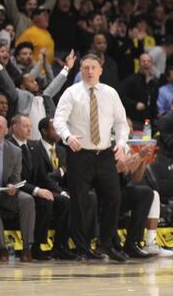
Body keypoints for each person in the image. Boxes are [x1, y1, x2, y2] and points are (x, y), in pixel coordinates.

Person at [53, 54, 130, 262]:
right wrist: (68, 137)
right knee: (79, 201)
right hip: (80, 154)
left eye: (93, 68)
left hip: (105, 153)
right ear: (80, 70)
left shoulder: (110, 93)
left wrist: (121, 144)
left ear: (100, 70)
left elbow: (122, 123)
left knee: (113, 197)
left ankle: (106, 244)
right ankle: (82, 247)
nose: (89, 72)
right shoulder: (71, 92)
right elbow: (59, 120)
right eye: (85, 68)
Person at [0, 115, 34, 262]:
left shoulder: (15, 151)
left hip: (3, 192)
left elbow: (15, 179)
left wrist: (13, 187)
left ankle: (27, 248)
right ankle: (1, 248)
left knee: (27, 200)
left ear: (6, 130)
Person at [0, 47, 75, 140]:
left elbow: (56, 83)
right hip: (23, 142)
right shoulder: (19, 95)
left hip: (42, 143)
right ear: (22, 86)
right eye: (31, 81)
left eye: (35, 81)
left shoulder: (45, 97)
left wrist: (67, 68)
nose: (35, 82)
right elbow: (7, 81)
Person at [32, 117, 76, 260]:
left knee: (85, 196)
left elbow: (65, 176)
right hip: (41, 188)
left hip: (58, 188)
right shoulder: (34, 149)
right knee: (63, 200)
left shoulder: (63, 150)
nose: (58, 132)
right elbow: (43, 177)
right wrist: (60, 173)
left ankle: (73, 244)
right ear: (44, 131)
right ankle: (46, 246)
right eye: (54, 128)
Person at [119, 53, 159, 128]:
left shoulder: (154, 83)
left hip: (149, 121)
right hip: (133, 120)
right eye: (143, 61)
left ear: (151, 64)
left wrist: (157, 114)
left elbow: (153, 102)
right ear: (139, 64)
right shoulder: (130, 80)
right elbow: (121, 96)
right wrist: (135, 104)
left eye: (148, 61)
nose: (146, 63)